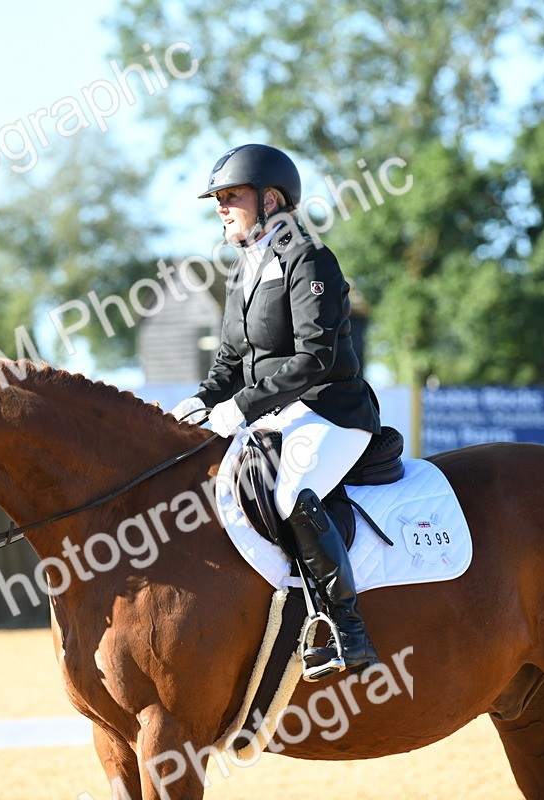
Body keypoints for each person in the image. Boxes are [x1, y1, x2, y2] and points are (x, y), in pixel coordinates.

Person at [169, 143, 382, 677]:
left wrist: (241, 406)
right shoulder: (243, 269)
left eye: (230, 196)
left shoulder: (310, 260)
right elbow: (229, 358)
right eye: (217, 198)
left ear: (270, 199)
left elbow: (316, 358)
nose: (220, 207)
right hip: (273, 414)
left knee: (291, 493)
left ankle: (346, 630)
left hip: (331, 411)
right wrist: (203, 399)